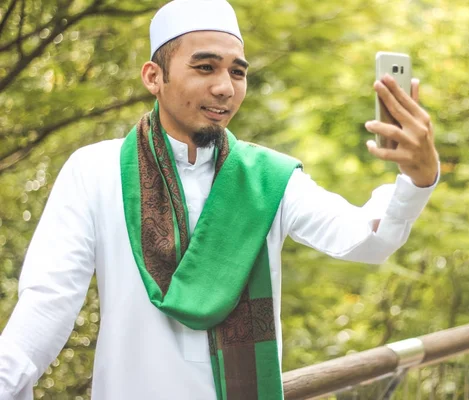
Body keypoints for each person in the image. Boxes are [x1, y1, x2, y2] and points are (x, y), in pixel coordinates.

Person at [0, 0, 439, 399]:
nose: (226, 87)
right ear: (155, 77)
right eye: (205, 68)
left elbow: (367, 239)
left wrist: (416, 179)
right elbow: (47, 303)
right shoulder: (95, 170)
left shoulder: (269, 178)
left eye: (237, 71)